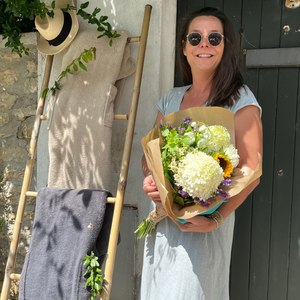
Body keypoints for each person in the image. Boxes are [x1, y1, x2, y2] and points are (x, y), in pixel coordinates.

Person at [140, 7, 263, 300]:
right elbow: (149, 159)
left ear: (225, 46)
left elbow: (251, 170)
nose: (203, 44)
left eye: (214, 37)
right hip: (161, 222)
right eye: (195, 38)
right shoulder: (170, 99)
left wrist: (214, 219)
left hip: (202, 230)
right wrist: (151, 181)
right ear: (184, 48)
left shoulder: (239, 100)